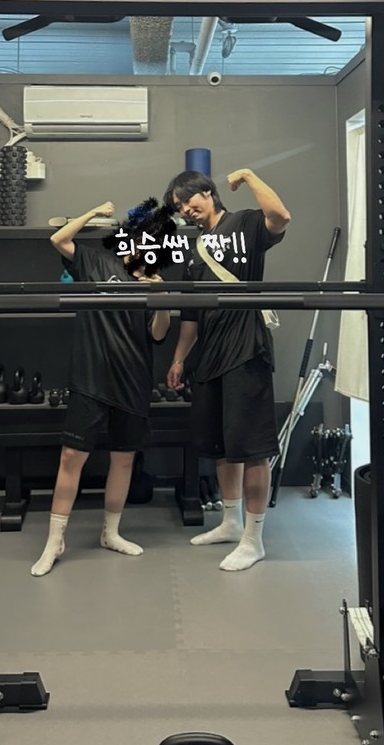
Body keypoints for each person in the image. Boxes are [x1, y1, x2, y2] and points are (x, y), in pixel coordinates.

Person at [31, 198, 175, 576]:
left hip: (133, 379)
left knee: (123, 459)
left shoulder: (153, 280)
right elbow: (58, 239)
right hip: (91, 376)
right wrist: (93, 212)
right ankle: (54, 542)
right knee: (70, 457)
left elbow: (159, 334)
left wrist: (162, 299)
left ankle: (111, 533)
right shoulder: (95, 261)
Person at [164, 168, 290, 572]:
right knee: (221, 445)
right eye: (179, 207)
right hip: (210, 356)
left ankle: (254, 540)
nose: (186, 210)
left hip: (245, 350)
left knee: (252, 449)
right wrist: (179, 359)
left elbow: (281, 216)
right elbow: (190, 316)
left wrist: (250, 177)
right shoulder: (194, 250)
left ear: (207, 192)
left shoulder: (245, 224)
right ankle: (231, 523)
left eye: (188, 200)